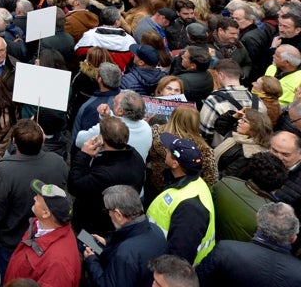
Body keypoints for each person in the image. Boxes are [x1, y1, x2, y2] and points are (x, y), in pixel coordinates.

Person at [0, 118, 68, 278]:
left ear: (14, 141)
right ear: (42, 139)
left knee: (10, 273)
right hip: (44, 235)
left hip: (11, 238)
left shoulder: (4, 170)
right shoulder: (58, 162)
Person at [69, 117, 147, 238]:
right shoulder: (135, 156)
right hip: (117, 221)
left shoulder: (104, 174)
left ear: (102, 139)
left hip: (93, 226)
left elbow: (74, 186)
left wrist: (84, 155)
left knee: (88, 249)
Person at [147, 133, 217, 265]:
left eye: (169, 150)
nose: (166, 150)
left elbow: (179, 258)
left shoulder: (190, 208)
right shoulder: (193, 181)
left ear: (175, 163)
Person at [81, 184, 167, 287]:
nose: (108, 214)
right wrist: (108, 243)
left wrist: (91, 260)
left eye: (107, 210)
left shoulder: (125, 254)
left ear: (118, 215)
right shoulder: (155, 230)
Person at [195, 202, 301, 284]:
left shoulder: (226, 250)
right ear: (293, 239)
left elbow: (197, 281)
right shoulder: (298, 273)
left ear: (258, 221)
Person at [2, 180, 81, 287]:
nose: (34, 198)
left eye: (38, 199)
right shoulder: (40, 225)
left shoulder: (58, 266)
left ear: (46, 213)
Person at [213, 108, 271, 179]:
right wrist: (234, 116)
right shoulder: (239, 135)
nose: (239, 121)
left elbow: (227, 176)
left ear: (255, 128)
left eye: (244, 121)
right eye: (241, 118)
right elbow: (220, 126)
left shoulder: (249, 153)